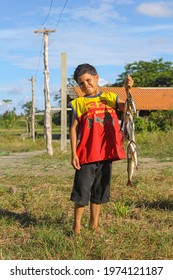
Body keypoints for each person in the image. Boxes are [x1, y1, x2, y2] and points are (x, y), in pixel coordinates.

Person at [69, 63, 134, 234]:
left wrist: (127, 91)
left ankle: (94, 224)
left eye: (88, 80)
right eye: (81, 83)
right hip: (86, 155)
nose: (86, 85)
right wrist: (74, 153)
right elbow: (73, 128)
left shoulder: (111, 98)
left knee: (99, 191)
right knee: (82, 192)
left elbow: (128, 108)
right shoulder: (79, 103)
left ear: (96, 78)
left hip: (106, 153)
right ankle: (76, 227)